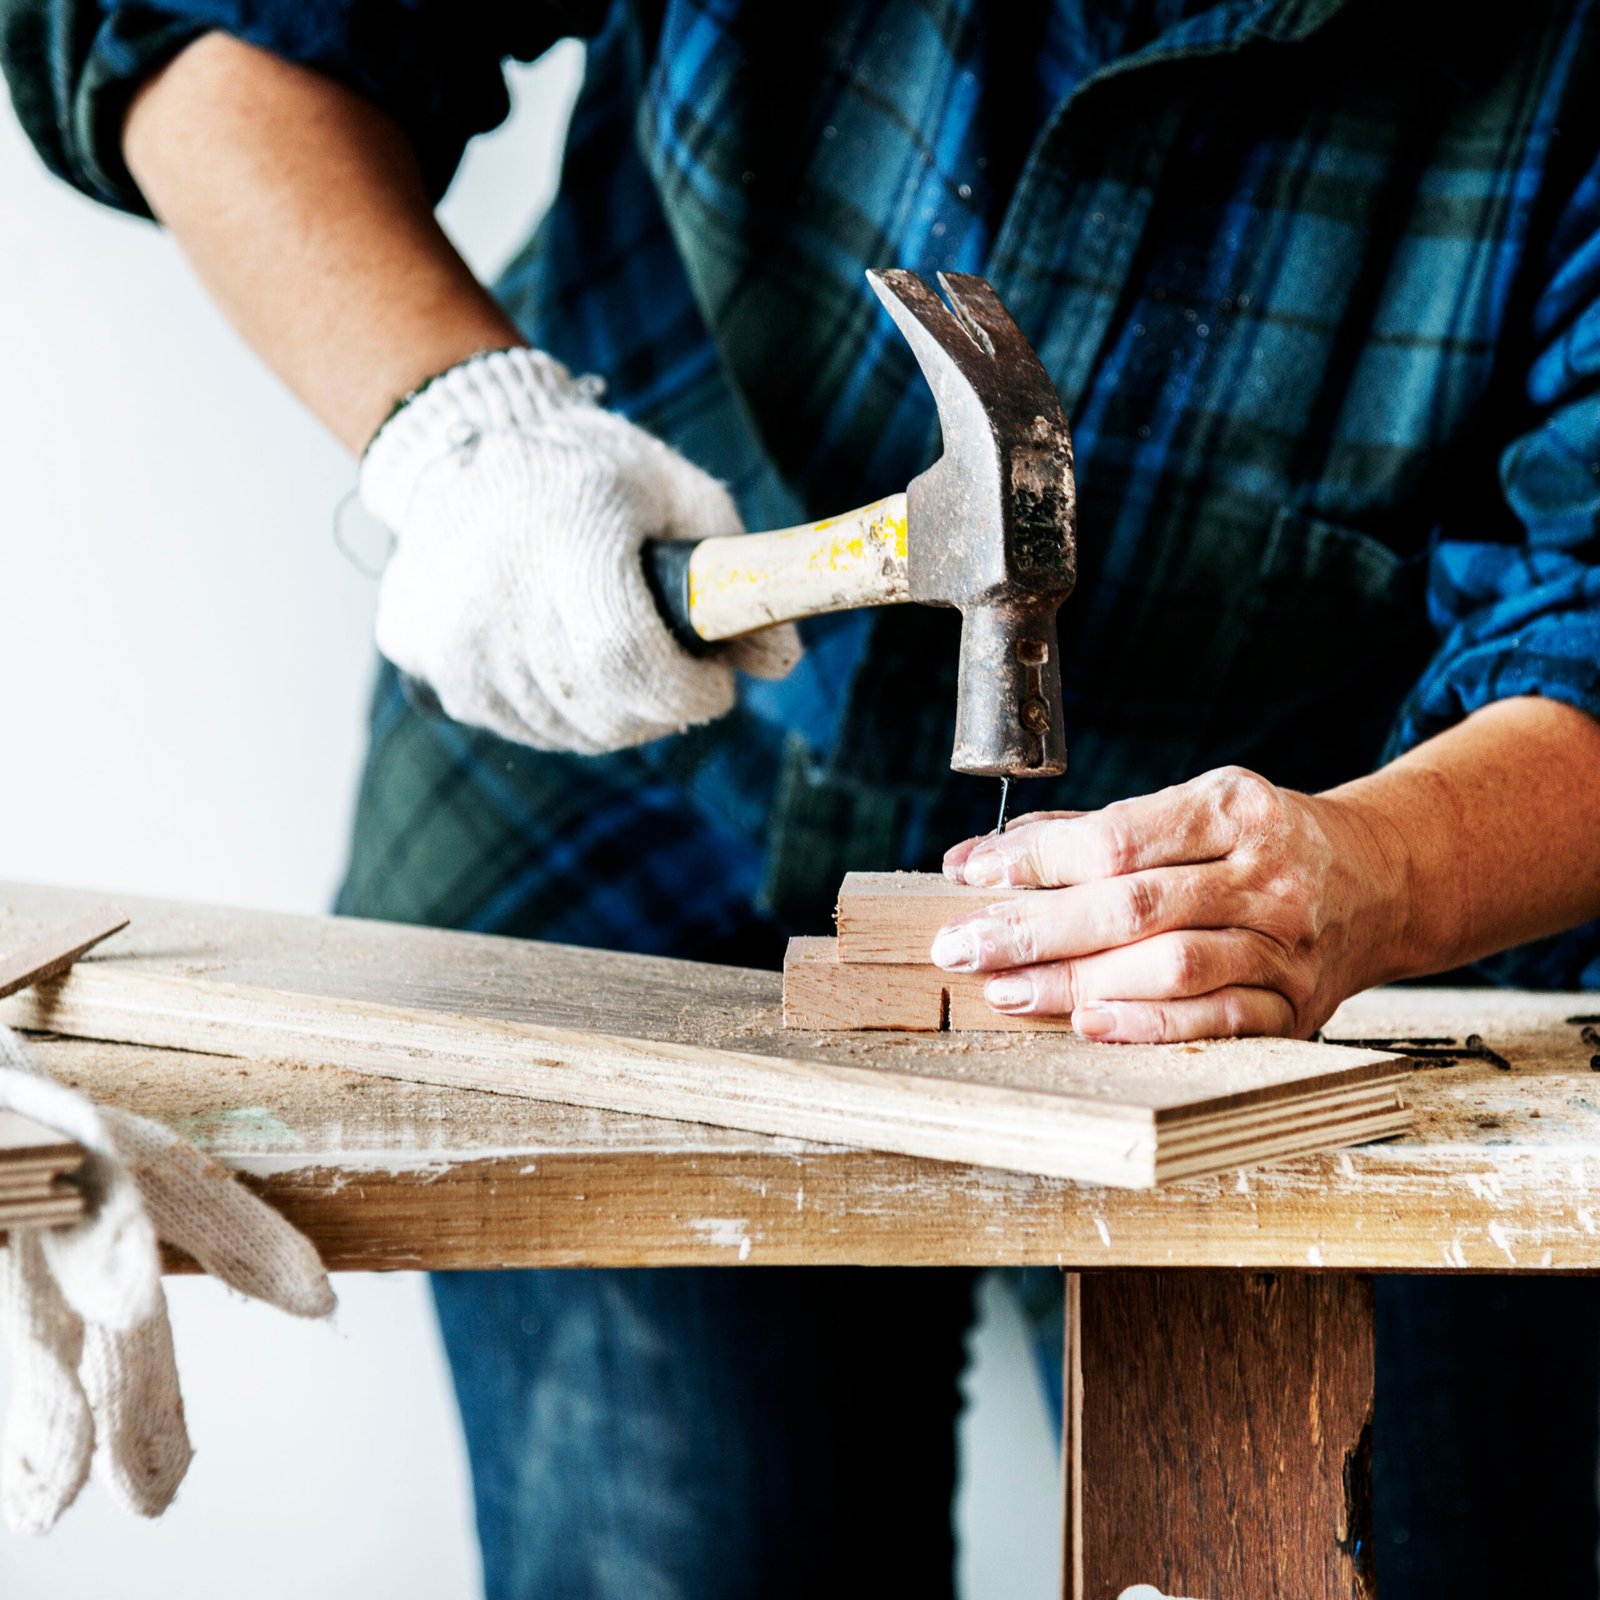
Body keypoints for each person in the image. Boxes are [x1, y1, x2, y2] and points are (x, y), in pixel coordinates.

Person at [5, 1, 1600, 1593]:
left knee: (1356, 1539)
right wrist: (455, 430)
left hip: (1324, 917)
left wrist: (1378, 866)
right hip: (618, 819)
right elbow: (198, 35)